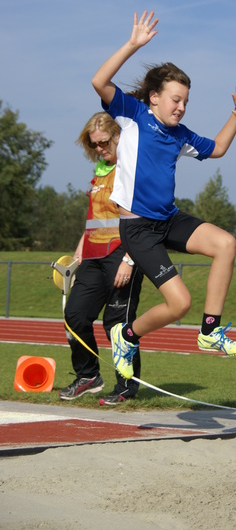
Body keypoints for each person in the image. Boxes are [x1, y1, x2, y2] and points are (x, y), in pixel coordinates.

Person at [91, 9, 236, 381]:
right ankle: (126, 336)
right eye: (175, 99)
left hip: (168, 219)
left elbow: (219, 148)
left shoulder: (181, 134)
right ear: (154, 98)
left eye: (186, 102)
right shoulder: (131, 115)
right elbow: (100, 80)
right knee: (179, 303)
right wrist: (132, 44)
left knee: (225, 243)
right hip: (138, 228)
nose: (181, 106)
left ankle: (210, 331)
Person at [59, 112, 144, 405]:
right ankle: (88, 376)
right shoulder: (100, 170)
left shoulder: (132, 168)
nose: (99, 148)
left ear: (118, 136)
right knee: (75, 316)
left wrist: (130, 260)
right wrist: (79, 251)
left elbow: (144, 220)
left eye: (104, 142)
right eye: (93, 144)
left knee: (117, 325)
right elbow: (94, 218)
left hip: (123, 254)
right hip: (92, 257)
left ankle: (126, 387)